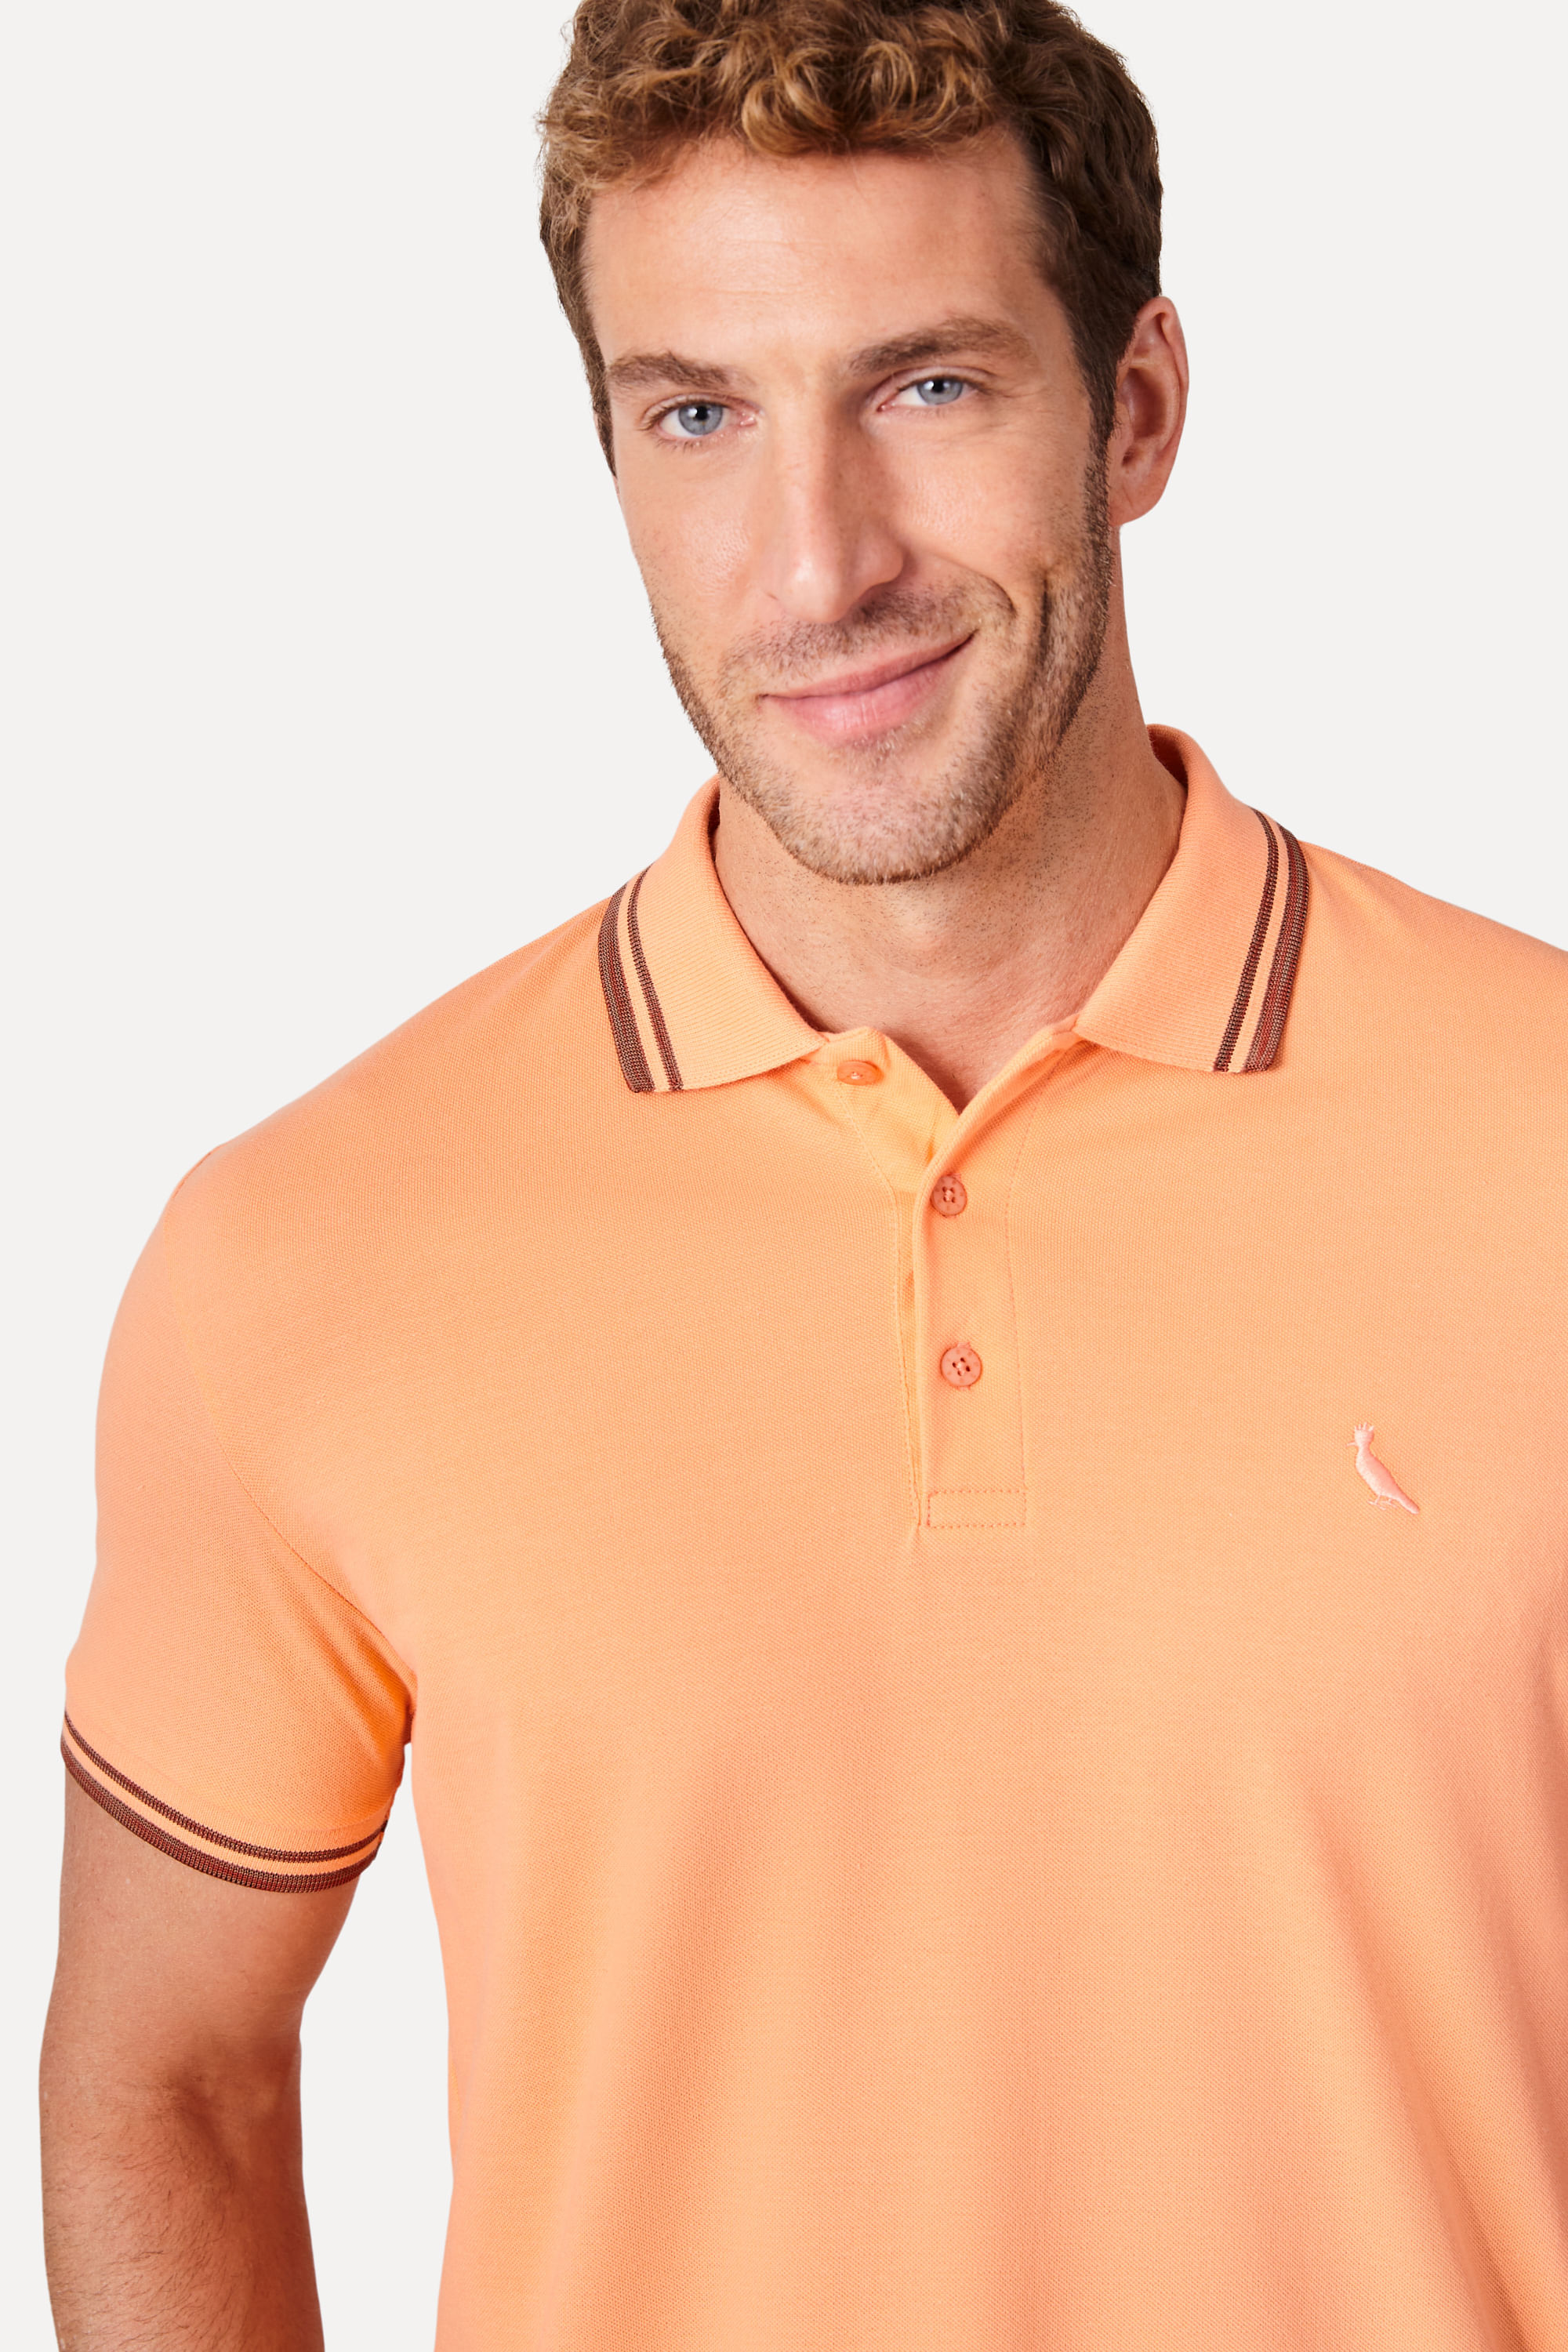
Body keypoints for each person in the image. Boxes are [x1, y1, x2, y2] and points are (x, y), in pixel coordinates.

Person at [39, 0, 1568, 2344]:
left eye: (926, 386)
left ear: (1137, 408)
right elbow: (169, 2080)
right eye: (698, 416)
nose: (814, 560)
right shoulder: (305, 1253)